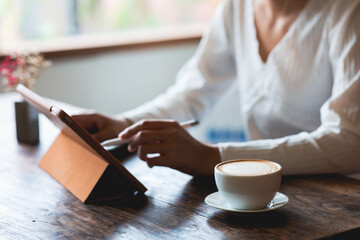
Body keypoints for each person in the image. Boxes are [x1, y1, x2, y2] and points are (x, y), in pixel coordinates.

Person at [73, 0, 360, 176]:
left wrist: (214, 157)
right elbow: (193, 92)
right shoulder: (237, 6)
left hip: (340, 197)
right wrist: (124, 124)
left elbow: (349, 142)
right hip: (262, 190)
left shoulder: (349, 12)